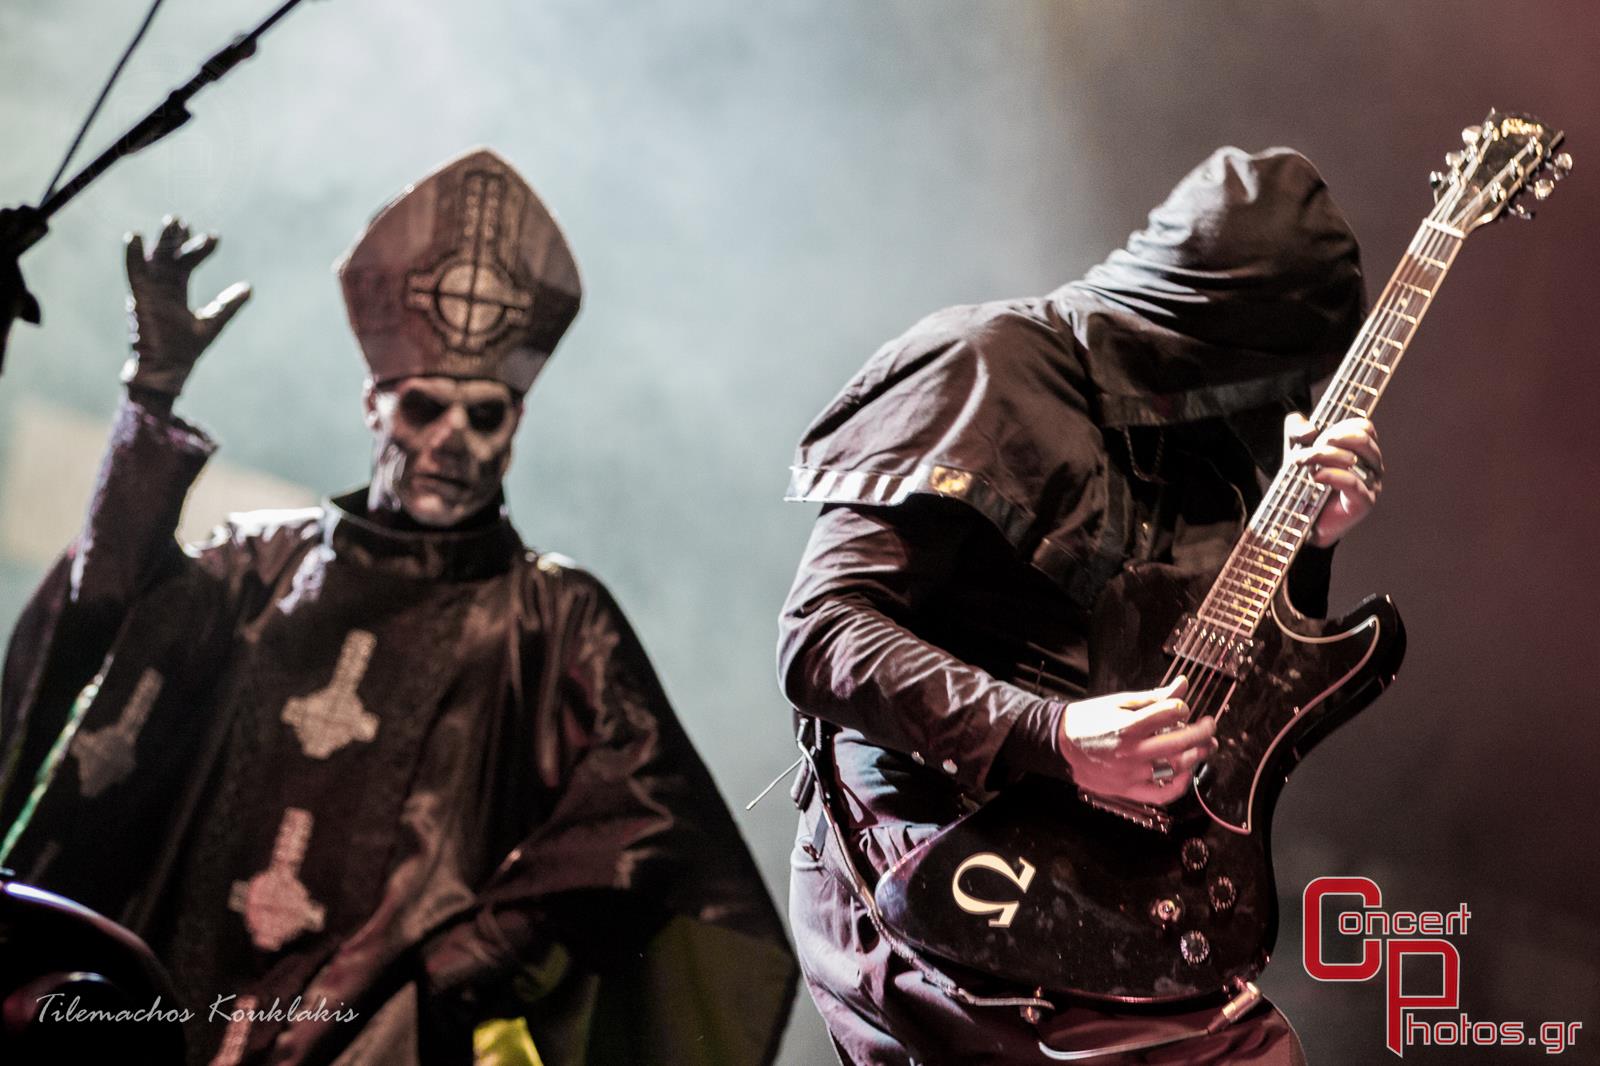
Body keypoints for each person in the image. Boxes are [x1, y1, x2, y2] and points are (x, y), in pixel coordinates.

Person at [0, 149, 795, 1066]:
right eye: (425, 408)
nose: (454, 442)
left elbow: (647, 826)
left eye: (486, 415)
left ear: (517, 428)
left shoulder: (554, 616)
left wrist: (458, 972)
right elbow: (106, 611)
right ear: (373, 406)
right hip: (183, 1015)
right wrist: (153, 390)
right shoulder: (257, 563)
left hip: (391, 1042)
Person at [777, 146, 1385, 1064]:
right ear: (1212, 337)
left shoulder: (1217, 445)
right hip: (927, 847)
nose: (1281, 401)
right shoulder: (981, 363)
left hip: (1089, 860)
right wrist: (1055, 734)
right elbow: (820, 636)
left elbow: (1228, 709)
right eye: (1270, 373)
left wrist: (1311, 545)